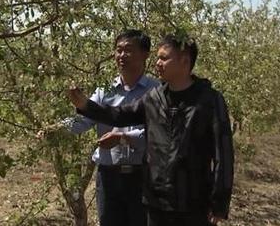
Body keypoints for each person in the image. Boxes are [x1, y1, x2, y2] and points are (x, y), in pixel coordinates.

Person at [68, 34, 234, 226]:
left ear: (184, 61)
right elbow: (120, 115)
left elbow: (223, 153)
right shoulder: (155, 98)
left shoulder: (208, 101)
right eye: (157, 58)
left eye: (164, 58)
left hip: (193, 203)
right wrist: (85, 105)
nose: (157, 63)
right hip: (156, 203)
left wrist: (219, 203)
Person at [63, 29, 159, 226]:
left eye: (129, 50)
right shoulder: (104, 90)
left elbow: (158, 132)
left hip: (143, 177)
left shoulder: (157, 91)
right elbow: (85, 120)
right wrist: (56, 128)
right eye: (118, 50)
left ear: (145, 54)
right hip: (108, 178)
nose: (122, 56)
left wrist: (124, 138)